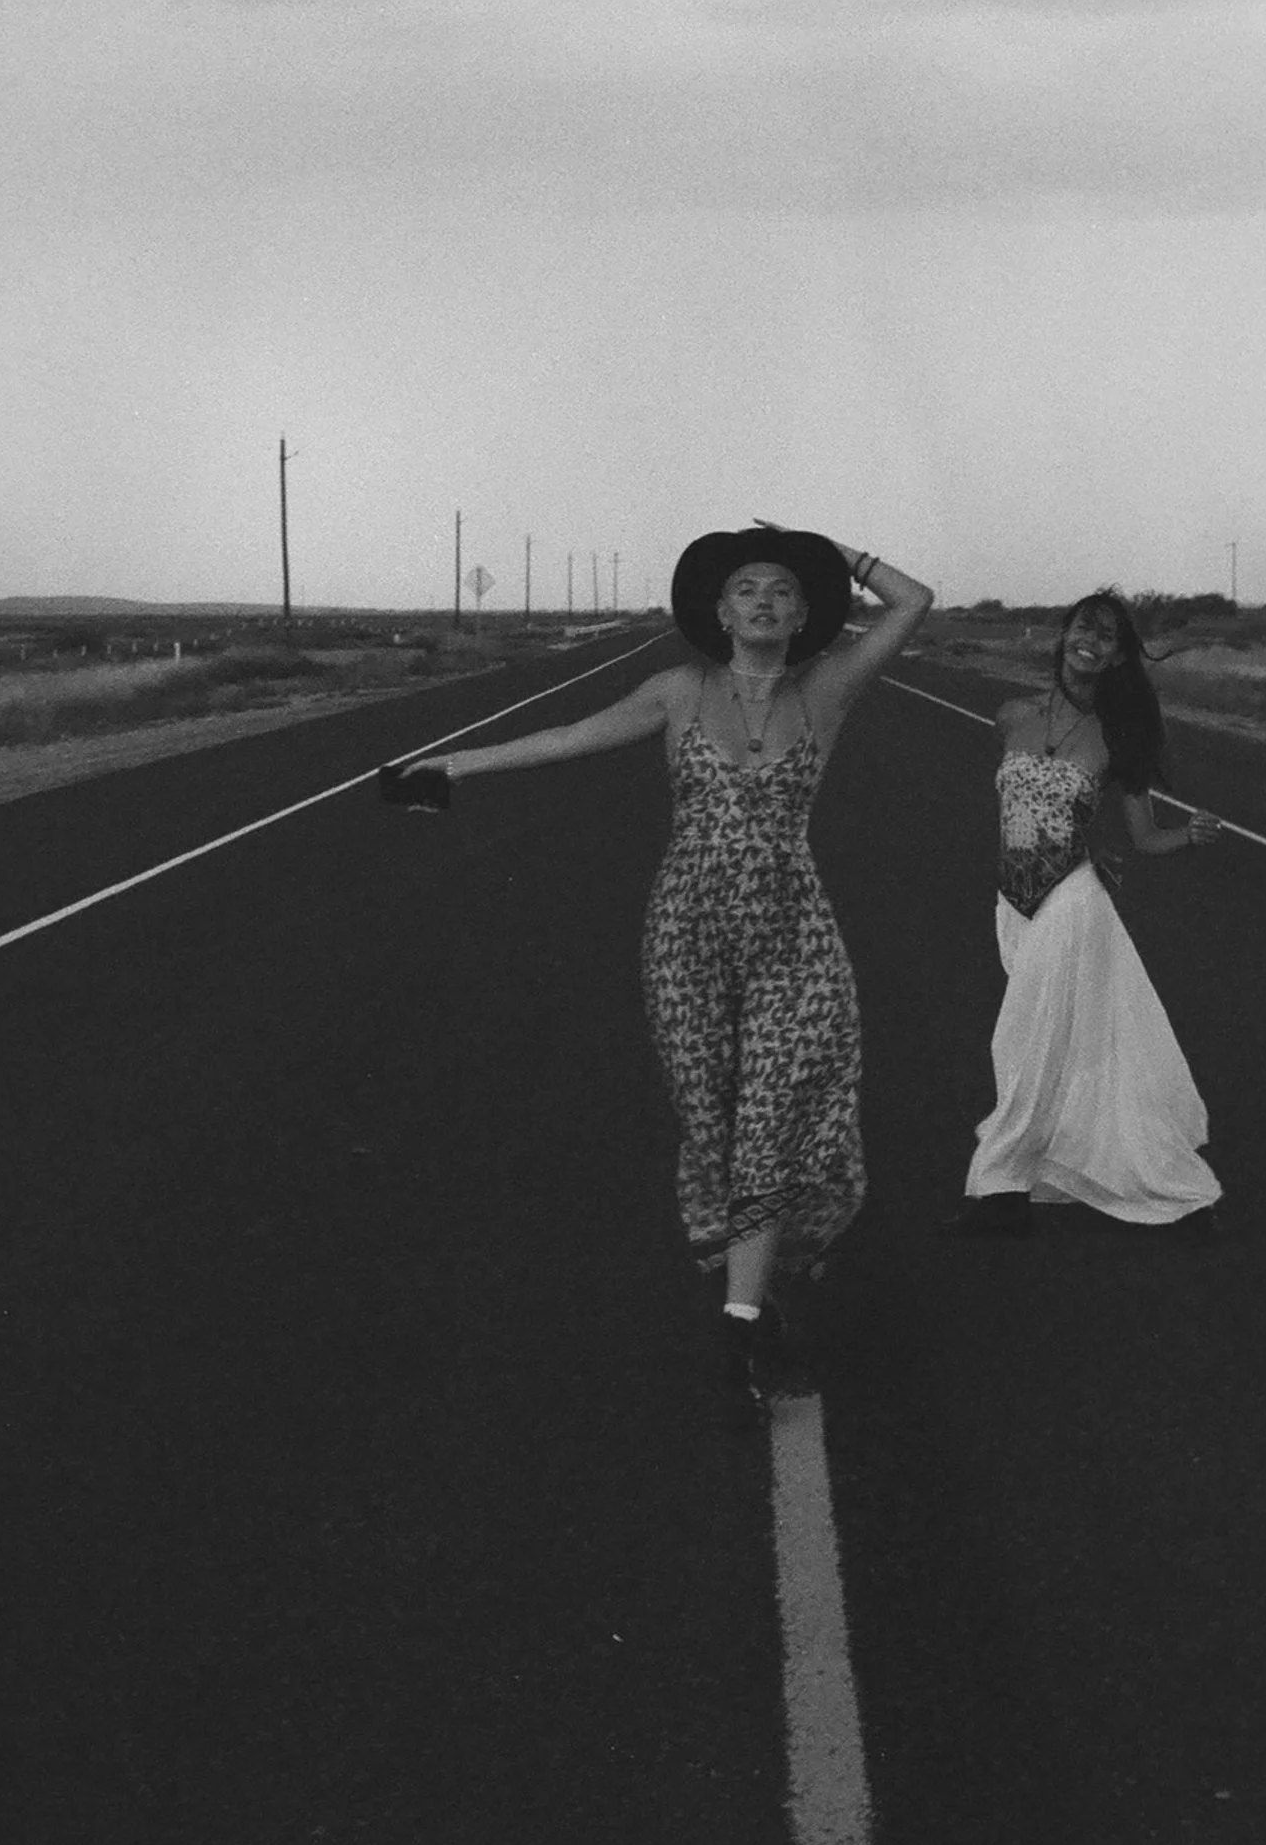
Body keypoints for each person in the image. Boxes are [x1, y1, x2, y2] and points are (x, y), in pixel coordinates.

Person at [380, 525, 934, 1421]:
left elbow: (912, 602)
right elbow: (570, 735)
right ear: (719, 611)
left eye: (782, 589)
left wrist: (837, 553)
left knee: (770, 1123)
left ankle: (741, 1324)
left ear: (804, 614)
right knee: (716, 1126)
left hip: (793, 937)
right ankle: (753, 1294)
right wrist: (453, 764)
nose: (763, 599)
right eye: (746, 588)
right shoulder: (678, 690)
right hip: (686, 938)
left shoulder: (827, 687)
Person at [959, 589, 1223, 1235]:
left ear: (1116, 657)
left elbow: (1144, 835)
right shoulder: (1011, 716)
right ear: (1064, 634)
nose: (1090, 642)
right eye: (1084, 628)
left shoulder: (1117, 737)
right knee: (1058, 1043)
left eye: (1106, 637)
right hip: (1012, 905)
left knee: (1019, 1040)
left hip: (1070, 900)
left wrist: (1188, 835)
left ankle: (997, 1187)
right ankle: (1084, 1161)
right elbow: (1022, 807)